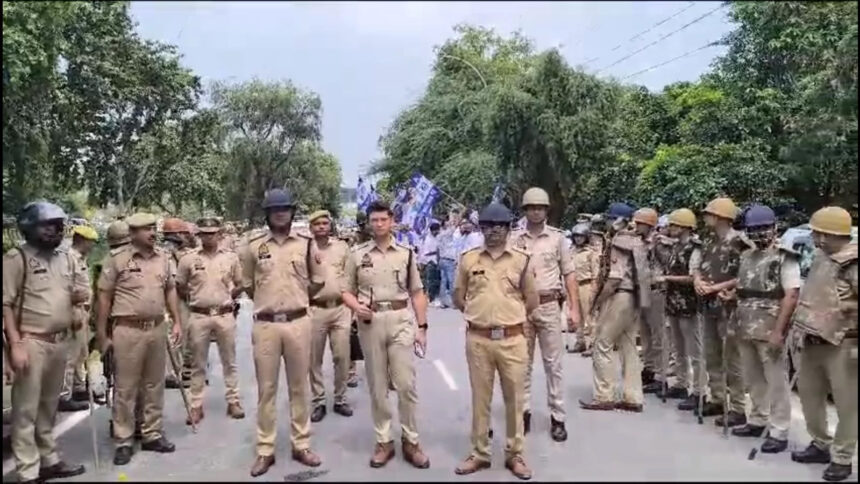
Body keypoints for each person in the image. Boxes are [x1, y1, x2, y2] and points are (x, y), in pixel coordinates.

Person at [4, 201, 90, 483]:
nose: (54, 230)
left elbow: (72, 292)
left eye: (57, 225)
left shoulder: (66, 258)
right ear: (30, 227)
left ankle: (49, 459)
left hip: (60, 341)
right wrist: (15, 345)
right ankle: (28, 470)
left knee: (49, 405)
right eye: (47, 225)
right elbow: (5, 305)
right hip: (31, 341)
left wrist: (76, 301)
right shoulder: (17, 259)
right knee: (26, 408)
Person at [239, 189, 323, 477]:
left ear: (291, 211)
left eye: (285, 209)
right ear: (267, 213)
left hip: (299, 322)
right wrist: (269, 303)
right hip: (266, 324)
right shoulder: (253, 246)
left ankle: (302, 445)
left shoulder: (306, 245)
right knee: (267, 390)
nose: (280, 213)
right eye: (275, 209)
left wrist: (296, 302)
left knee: (300, 387)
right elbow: (248, 284)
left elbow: (316, 283)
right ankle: (266, 449)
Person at [342, 200, 430, 469]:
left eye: (383, 219)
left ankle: (411, 440)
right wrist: (356, 306)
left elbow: (417, 292)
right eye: (374, 220)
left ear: (392, 221)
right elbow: (345, 290)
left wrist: (422, 327)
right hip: (370, 324)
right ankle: (384, 441)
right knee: (378, 386)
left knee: (405, 384)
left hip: (400, 320)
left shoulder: (405, 253)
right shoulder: (356, 254)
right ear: (369, 223)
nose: (378, 224)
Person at [453, 203, 538, 480]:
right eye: (488, 226)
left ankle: (515, 454)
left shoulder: (522, 260)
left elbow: (532, 299)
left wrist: (508, 316)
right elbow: (458, 296)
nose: (493, 231)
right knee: (481, 399)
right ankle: (479, 453)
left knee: (515, 399)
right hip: (478, 339)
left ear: (508, 228)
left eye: (499, 226)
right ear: (482, 229)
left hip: (513, 340)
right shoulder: (468, 259)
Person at [95, 212, 183, 466]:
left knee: (154, 384)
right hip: (127, 329)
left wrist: (176, 321)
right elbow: (104, 298)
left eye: (153, 228)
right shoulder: (117, 260)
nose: (152, 233)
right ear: (132, 234)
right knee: (126, 387)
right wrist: (102, 335)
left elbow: (170, 290)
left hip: (156, 327)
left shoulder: (163, 259)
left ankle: (151, 433)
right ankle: (123, 440)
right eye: (145, 230)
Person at [789, 206, 857, 482]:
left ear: (832, 234)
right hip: (813, 338)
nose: (816, 237)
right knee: (809, 396)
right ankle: (819, 443)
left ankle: (842, 457)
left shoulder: (853, 263)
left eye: (819, 233)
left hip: (843, 343)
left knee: (848, 405)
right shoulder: (820, 256)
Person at [510, 187, 581, 441]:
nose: (536, 211)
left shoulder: (558, 239)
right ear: (525, 210)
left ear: (546, 210)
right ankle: (523, 412)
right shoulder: (514, 239)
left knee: (554, 365)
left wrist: (574, 309)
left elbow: (569, 274)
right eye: (531, 207)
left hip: (550, 304)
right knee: (521, 364)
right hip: (521, 307)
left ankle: (558, 417)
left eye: (540, 207)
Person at [727, 205, 799, 454]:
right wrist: (730, 294)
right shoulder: (746, 256)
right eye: (754, 230)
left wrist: (779, 332)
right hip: (745, 324)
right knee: (753, 378)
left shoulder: (784, 256)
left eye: (763, 229)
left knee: (776, 381)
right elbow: (744, 285)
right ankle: (757, 419)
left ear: (774, 228)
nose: (759, 234)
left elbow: (791, 295)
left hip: (770, 326)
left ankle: (779, 431)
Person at [580, 208, 656, 413]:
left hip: (621, 294)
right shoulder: (641, 241)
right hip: (637, 296)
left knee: (602, 343)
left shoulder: (620, 241)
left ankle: (604, 395)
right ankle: (633, 397)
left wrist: (598, 301)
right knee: (629, 347)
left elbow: (614, 278)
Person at [175, 216, 245, 426]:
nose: (208, 237)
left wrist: (230, 299)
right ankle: (196, 405)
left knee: (229, 361)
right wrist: (196, 298)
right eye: (204, 233)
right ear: (198, 235)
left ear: (219, 234)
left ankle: (233, 401)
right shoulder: (188, 259)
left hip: (224, 314)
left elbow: (241, 283)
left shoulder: (231, 258)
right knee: (197, 363)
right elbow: (179, 286)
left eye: (212, 233)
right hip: (199, 315)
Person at [694, 197, 753, 427]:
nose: (706, 217)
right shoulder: (709, 241)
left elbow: (746, 275)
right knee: (712, 355)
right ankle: (718, 398)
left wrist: (717, 287)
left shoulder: (740, 242)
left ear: (720, 217)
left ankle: (738, 406)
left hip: (730, 306)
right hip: (709, 305)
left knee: (732, 359)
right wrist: (698, 280)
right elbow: (699, 267)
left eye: (709, 213)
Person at [307, 210, 353, 423]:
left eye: (325, 223)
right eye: (317, 224)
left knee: (342, 357)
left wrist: (353, 307)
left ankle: (340, 398)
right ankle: (318, 401)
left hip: (341, 309)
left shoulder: (342, 248)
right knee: (313, 359)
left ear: (330, 225)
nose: (322, 227)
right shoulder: (304, 249)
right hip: (315, 309)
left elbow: (352, 278)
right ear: (311, 228)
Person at [660, 209, 706, 410]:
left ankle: (699, 391)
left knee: (694, 350)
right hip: (673, 302)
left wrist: (667, 279)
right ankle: (681, 383)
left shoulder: (695, 249)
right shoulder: (676, 247)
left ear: (685, 227)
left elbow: (693, 278)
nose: (671, 229)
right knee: (677, 347)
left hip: (689, 304)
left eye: (674, 225)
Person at [58, 225, 99, 412]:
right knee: (70, 356)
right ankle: (63, 395)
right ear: (81, 240)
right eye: (91, 242)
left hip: (82, 310)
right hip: (72, 310)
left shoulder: (81, 258)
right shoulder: (68, 257)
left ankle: (78, 387)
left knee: (81, 352)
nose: (92, 246)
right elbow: (63, 287)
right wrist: (71, 312)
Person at [641, 216, 674, 394]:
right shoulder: (641, 241)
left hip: (657, 290)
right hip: (643, 289)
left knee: (659, 335)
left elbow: (669, 263)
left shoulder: (664, 244)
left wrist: (658, 245)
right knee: (645, 334)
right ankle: (649, 368)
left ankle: (660, 375)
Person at [161, 217, 194, 390]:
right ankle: (171, 373)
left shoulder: (176, 252)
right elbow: (174, 282)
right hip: (174, 298)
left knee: (181, 335)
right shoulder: (168, 253)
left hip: (176, 298)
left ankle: (179, 370)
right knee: (176, 335)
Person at [567, 223, 600, 354]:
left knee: (589, 316)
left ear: (586, 237)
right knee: (576, 316)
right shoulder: (571, 251)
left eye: (581, 236)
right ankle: (580, 341)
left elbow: (595, 272)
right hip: (573, 285)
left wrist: (594, 288)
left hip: (586, 284)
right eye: (576, 236)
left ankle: (593, 343)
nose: (578, 239)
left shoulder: (591, 253)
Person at [436, 212, 462, 308]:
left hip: (442, 259)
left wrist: (438, 261)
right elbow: (454, 225)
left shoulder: (438, 236)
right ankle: (454, 302)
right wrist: (453, 216)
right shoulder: (447, 234)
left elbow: (437, 250)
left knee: (443, 281)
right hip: (449, 259)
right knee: (451, 281)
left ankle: (443, 302)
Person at [418, 222, 441, 306]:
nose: (437, 232)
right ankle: (431, 298)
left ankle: (436, 297)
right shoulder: (428, 239)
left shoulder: (438, 238)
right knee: (431, 281)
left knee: (437, 280)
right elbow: (426, 252)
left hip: (437, 260)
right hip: (430, 261)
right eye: (435, 231)